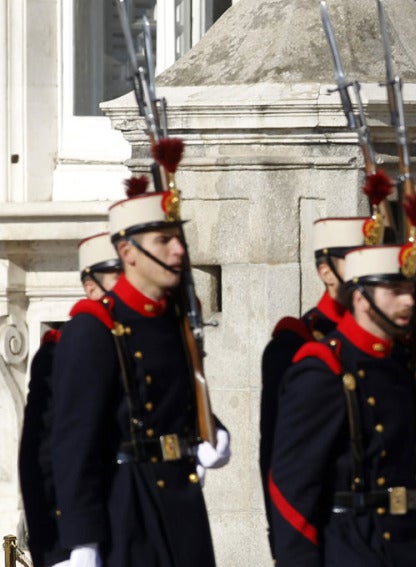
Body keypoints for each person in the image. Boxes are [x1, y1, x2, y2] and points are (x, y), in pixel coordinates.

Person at [50, 177, 231, 567]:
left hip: (182, 504)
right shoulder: (96, 328)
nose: (178, 250)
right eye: (163, 241)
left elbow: (175, 399)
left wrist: (212, 431)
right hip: (126, 508)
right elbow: (73, 443)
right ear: (127, 251)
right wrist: (83, 542)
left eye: (178, 238)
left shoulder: (176, 321)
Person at [268, 244, 416, 567]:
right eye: (394, 290)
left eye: (409, 289)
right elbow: (292, 491)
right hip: (353, 544)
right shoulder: (324, 369)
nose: (408, 300)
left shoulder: (401, 365)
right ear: (361, 298)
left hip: (412, 544)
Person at [259, 216, 368, 556]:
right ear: (326, 272)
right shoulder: (296, 342)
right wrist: (285, 540)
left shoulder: (390, 343)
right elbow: (276, 453)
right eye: (355, 261)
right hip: (329, 523)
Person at [18, 232, 121, 567]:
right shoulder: (61, 351)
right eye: (117, 278)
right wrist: (59, 549)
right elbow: (43, 458)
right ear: (92, 287)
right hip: (76, 535)